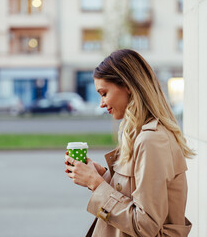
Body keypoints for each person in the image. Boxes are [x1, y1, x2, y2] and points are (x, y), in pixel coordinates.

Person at [64, 49, 194, 237]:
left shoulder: (152, 140)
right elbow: (135, 197)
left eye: (104, 93)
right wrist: (104, 177)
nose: (101, 103)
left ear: (127, 86)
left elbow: (145, 225)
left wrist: (96, 183)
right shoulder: (139, 133)